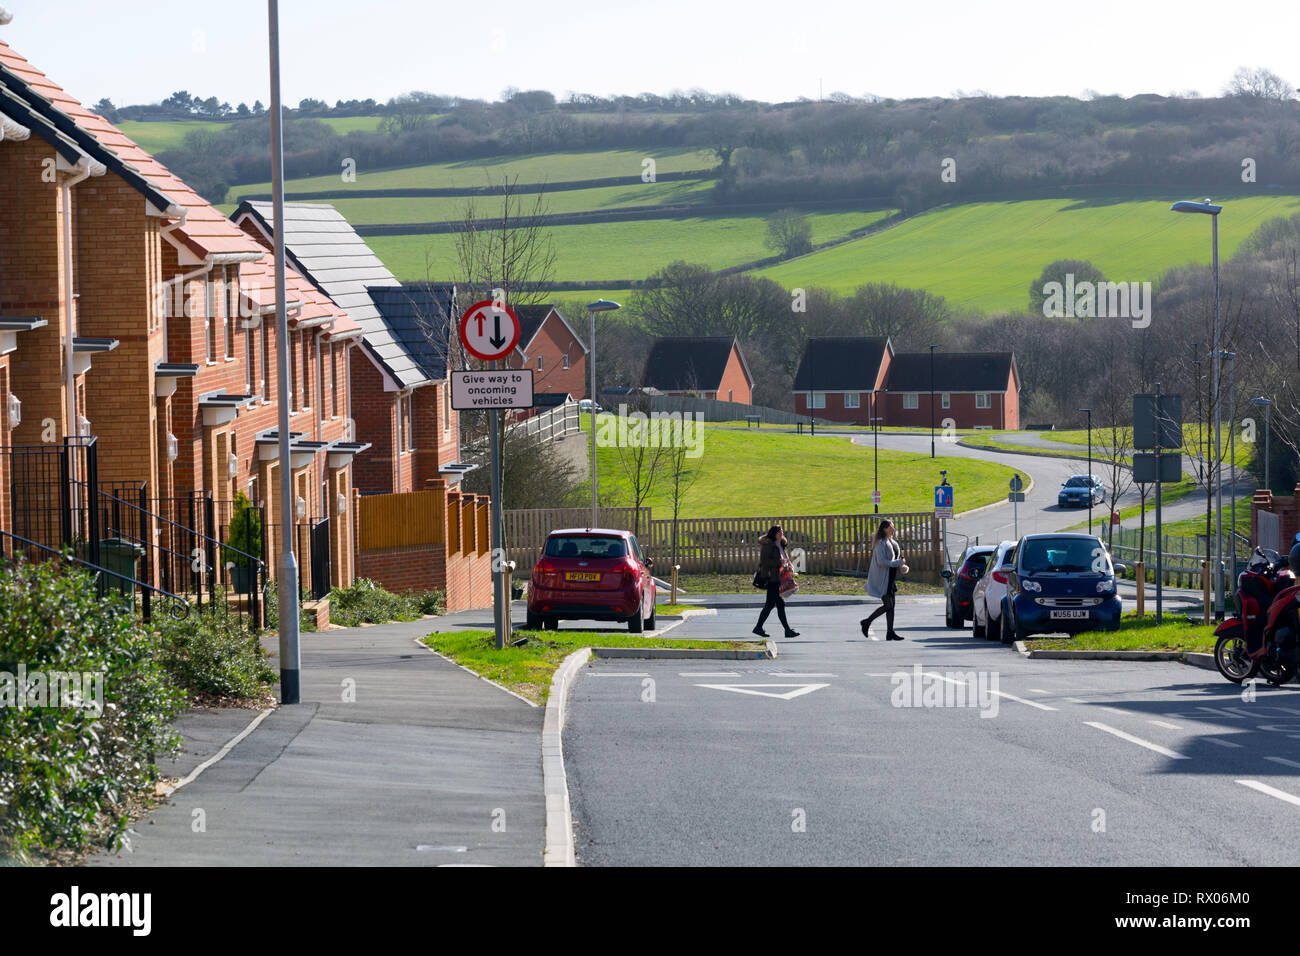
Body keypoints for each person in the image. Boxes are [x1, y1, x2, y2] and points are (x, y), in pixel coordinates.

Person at [862, 519, 907, 640]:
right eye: (891, 527)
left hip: (891, 578)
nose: (893, 529)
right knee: (888, 605)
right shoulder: (880, 543)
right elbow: (882, 562)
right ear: (884, 529)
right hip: (883, 578)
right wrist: (898, 562)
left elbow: (898, 558)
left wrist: (902, 566)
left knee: (892, 606)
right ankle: (866, 622)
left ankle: (890, 632)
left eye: (893, 527)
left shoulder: (893, 542)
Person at [753, 524, 799, 638]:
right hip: (772, 578)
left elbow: (785, 559)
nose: (781, 533)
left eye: (782, 531)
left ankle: (784, 630)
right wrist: (779, 563)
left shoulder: (781, 545)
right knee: (772, 605)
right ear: (774, 533)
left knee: (777, 604)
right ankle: (760, 627)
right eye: (779, 532)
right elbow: (764, 561)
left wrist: (789, 566)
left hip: (780, 578)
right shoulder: (768, 545)